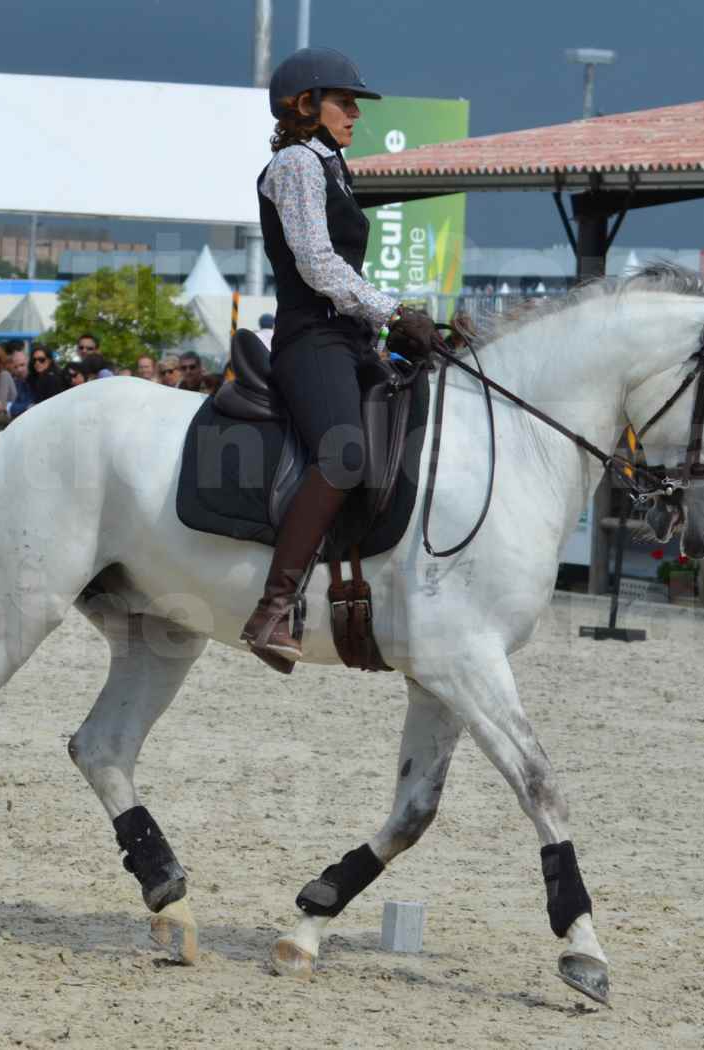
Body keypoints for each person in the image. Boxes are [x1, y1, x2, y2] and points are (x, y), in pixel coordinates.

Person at [238, 47, 444, 672]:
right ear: (305, 106)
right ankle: (273, 607)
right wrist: (391, 311)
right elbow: (318, 264)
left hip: (349, 338)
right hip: (311, 341)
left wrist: (398, 329)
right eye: (344, 101)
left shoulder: (333, 167)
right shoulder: (297, 164)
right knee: (346, 452)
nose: (356, 112)